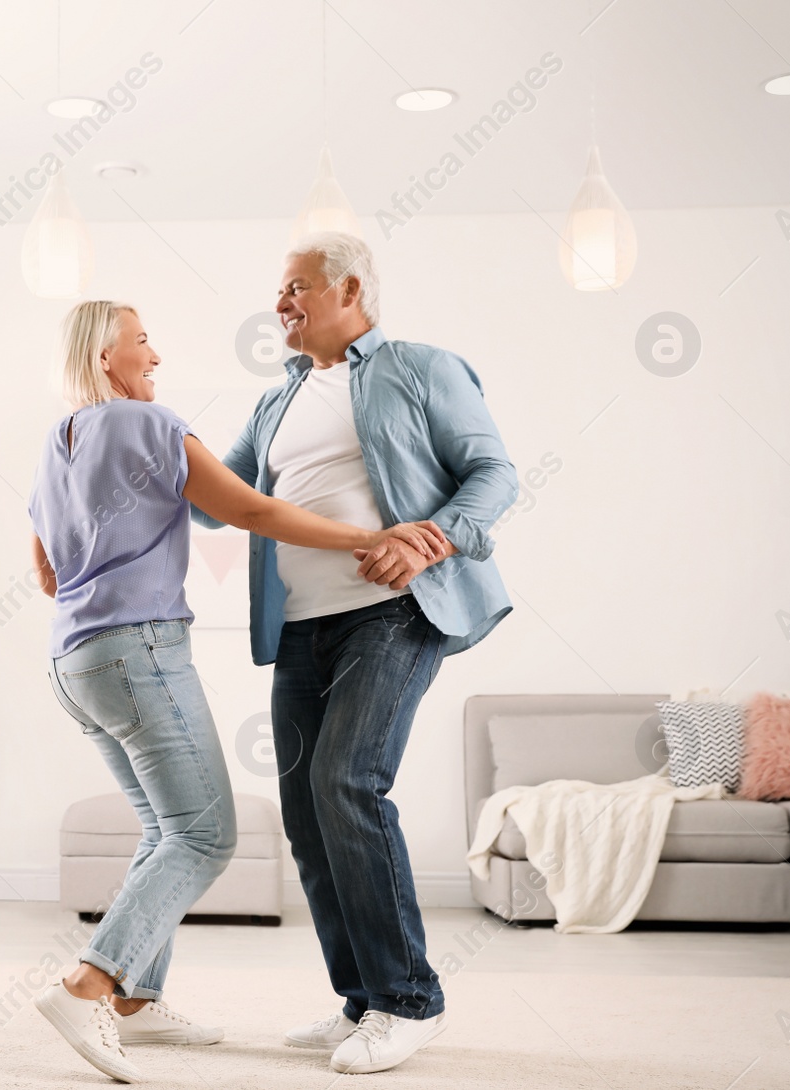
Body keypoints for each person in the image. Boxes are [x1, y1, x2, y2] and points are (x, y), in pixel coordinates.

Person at [26, 299, 449, 1084]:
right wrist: (370, 534)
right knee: (205, 834)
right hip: (138, 651)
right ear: (106, 356)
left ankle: (138, 1003)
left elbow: (48, 572)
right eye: (143, 340)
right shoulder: (149, 424)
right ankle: (90, 984)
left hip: (74, 663)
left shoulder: (59, 440)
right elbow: (248, 508)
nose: (156, 354)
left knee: (162, 829)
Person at [193, 232, 517, 1074]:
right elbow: (216, 501)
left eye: (296, 286)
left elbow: (494, 473)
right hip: (302, 628)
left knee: (347, 780)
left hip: (394, 611)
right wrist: (131, 444)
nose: (280, 303)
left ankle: (411, 999)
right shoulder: (276, 402)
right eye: (280, 290)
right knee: (306, 812)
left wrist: (430, 542)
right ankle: (362, 999)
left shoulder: (418, 367)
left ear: (349, 291)